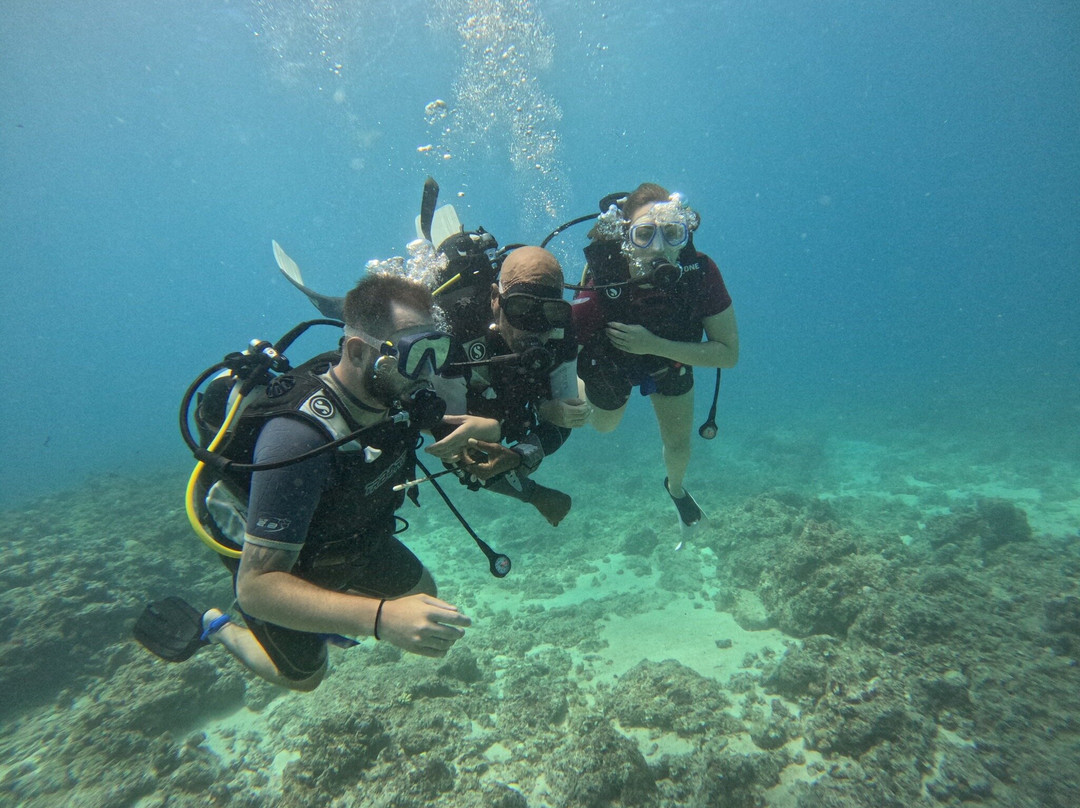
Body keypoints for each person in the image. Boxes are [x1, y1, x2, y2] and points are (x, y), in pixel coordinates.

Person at [136, 273, 498, 691]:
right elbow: (256, 588)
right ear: (360, 352)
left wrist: (487, 426)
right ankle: (216, 626)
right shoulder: (297, 439)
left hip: (342, 533)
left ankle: (321, 609)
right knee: (306, 677)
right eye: (415, 354)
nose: (429, 373)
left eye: (437, 350)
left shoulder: (386, 391)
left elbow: (453, 426)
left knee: (423, 592)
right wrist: (379, 619)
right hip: (278, 559)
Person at [572, 183, 739, 531]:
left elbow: (728, 354)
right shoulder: (605, 276)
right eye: (644, 234)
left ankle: (676, 490)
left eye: (672, 233)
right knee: (604, 426)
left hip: (670, 360)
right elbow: (569, 342)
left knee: (678, 444)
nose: (658, 248)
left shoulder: (702, 273)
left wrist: (653, 344)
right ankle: (582, 390)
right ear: (625, 237)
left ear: (685, 234)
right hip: (612, 361)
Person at [450, 246, 591, 527]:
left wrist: (519, 455)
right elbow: (452, 445)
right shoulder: (458, 326)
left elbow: (562, 421)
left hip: (510, 401)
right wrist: (533, 494)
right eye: (521, 308)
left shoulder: (560, 332)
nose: (535, 325)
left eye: (550, 311)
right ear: (495, 299)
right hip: (472, 400)